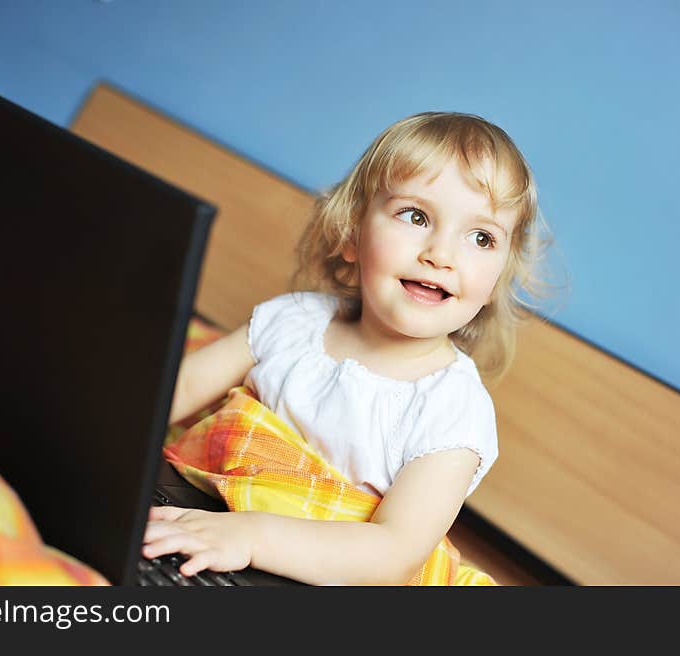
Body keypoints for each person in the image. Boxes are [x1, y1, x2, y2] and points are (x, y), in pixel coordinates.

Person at [142, 112, 550, 585]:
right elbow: (170, 391)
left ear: (498, 277)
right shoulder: (294, 322)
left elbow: (392, 554)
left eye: (481, 237)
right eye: (415, 216)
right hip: (211, 515)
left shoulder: (454, 409)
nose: (441, 254)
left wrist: (250, 536)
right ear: (352, 232)